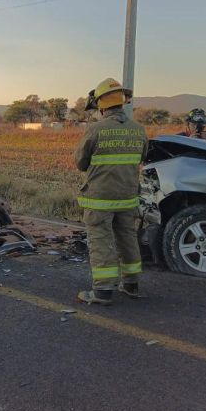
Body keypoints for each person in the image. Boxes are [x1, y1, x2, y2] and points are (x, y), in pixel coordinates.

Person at [74, 77, 147, 305]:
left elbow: (80, 163)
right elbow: (142, 157)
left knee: (101, 241)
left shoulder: (96, 129)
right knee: (127, 238)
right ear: (122, 101)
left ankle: (103, 291)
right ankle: (132, 284)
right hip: (127, 197)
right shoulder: (138, 130)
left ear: (101, 105)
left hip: (100, 200)